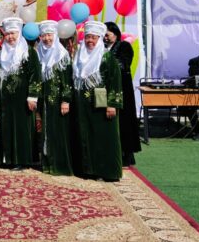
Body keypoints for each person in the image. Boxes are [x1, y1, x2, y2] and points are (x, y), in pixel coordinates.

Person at [72, 21, 123, 181]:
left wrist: (112, 105)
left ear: (99, 39)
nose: (90, 41)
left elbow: (115, 82)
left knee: (103, 137)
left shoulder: (106, 57)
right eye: (88, 37)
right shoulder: (79, 56)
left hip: (101, 105)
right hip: (83, 105)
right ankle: (88, 169)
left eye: (94, 38)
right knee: (86, 135)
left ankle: (106, 171)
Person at [0, 17, 40, 170]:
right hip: (5, 99)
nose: (10, 37)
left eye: (13, 33)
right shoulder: (2, 52)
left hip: (22, 99)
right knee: (6, 126)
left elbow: (35, 75)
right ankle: (6, 158)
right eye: (7, 34)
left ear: (19, 33)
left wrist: (32, 97)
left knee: (20, 128)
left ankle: (21, 160)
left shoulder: (29, 52)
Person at [36, 20, 74, 176]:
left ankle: (60, 165)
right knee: (46, 132)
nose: (46, 39)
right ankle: (47, 164)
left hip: (58, 102)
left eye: (49, 35)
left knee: (59, 132)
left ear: (56, 35)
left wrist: (65, 100)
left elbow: (67, 80)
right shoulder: (39, 52)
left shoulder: (62, 55)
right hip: (44, 102)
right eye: (44, 36)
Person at [104, 22, 141, 166]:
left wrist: (105, 64)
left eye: (107, 35)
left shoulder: (124, 46)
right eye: (103, 35)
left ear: (115, 34)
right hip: (107, 90)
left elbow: (123, 64)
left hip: (122, 89)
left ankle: (126, 154)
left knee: (124, 121)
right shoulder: (101, 48)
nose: (105, 38)